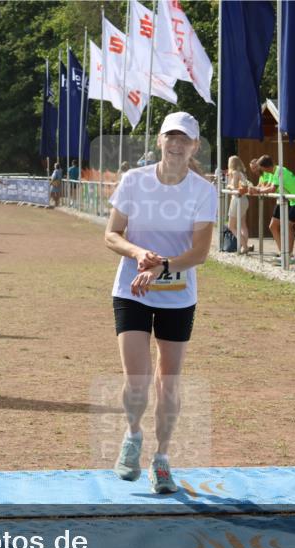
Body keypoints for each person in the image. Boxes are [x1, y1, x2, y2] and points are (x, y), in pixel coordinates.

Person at [104, 111, 217, 494]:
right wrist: (139, 254)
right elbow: (112, 234)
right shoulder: (134, 181)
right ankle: (133, 435)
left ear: (195, 146)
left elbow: (199, 253)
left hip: (178, 295)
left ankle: (162, 459)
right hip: (132, 289)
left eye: (184, 138)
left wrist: (162, 266)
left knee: (168, 384)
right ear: (159, 141)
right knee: (136, 382)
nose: (176, 143)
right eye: (170, 136)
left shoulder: (203, 191)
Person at [254, 155, 295, 262]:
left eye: (262, 169)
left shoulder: (278, 171)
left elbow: (272, 189)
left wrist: (258, 191)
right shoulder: (278, 170)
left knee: (288, 225)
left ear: (265, 167)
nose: (262, 172)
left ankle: (288, 255)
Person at [225, 155, 251, 253]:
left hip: (237, 200)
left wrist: (228, 186)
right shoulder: (242, 173)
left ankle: (244, 246)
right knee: (243, 225)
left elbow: (235, 187)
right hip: (244, 199)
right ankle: (244, 246)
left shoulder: (235, 173)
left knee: (231, 226)